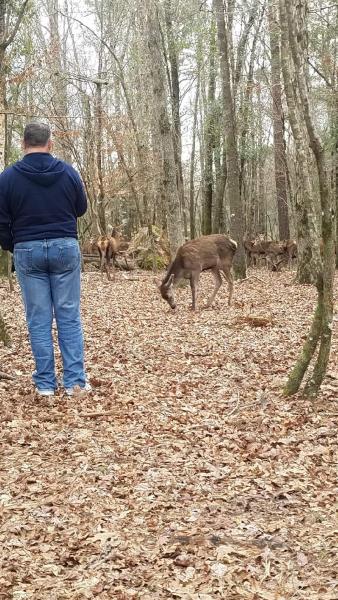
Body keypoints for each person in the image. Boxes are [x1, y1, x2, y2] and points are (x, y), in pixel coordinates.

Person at [0, 122, 90, 397]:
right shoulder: (68, 172)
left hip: (27, 248)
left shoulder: (7, 178)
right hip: (64, 245)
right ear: (50, 144)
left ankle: (45, 385)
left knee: (38, 319)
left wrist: (12, 245)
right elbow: (81, 208)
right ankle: (75, 383)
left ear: (23, 144)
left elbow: (2, 221)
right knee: (69, 316)